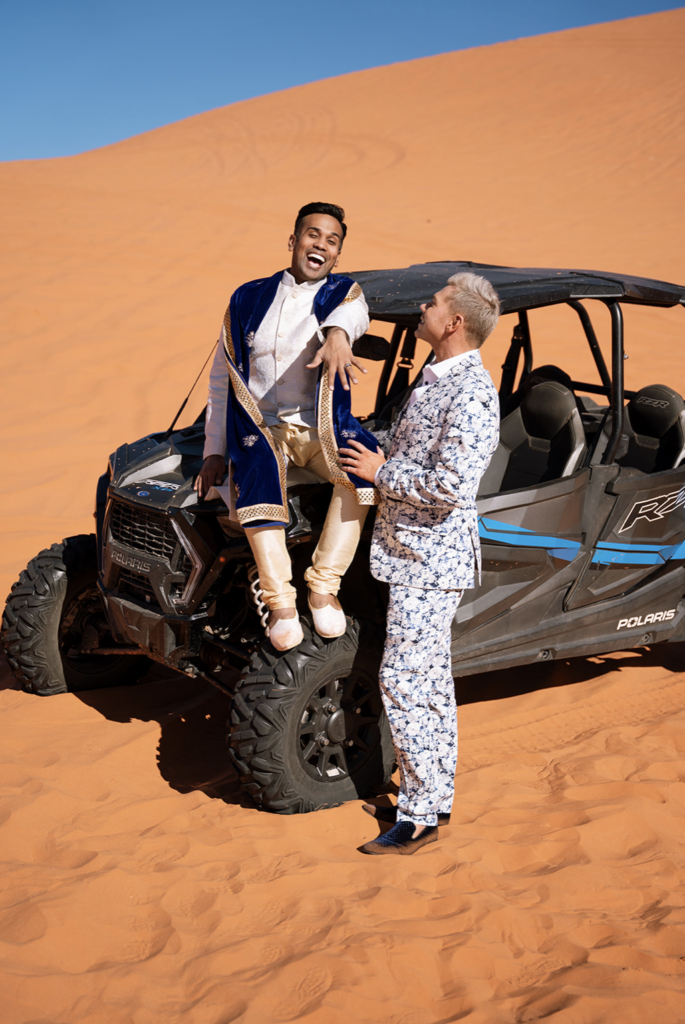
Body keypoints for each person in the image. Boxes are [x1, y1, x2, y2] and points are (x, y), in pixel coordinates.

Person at [339, 272, 501, 856]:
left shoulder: (473, 393)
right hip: (411, 553)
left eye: (431, 304)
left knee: (404, 680)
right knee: (429, 681)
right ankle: (438, 796)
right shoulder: (434, 377)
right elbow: (412, 448)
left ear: (454, 321)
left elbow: (452, 485)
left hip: (431, 560)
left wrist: (380, 473)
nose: (422, 308)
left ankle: (418, 817)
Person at [195, 202, 379, 651]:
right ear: (294, 241)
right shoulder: (247, 297)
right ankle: (280, 601)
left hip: (320, 428)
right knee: (254, 472)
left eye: (332, 241)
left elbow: (355, 315)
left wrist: (337, 334)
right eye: (313, 235)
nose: (322, 245)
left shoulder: (343, 295)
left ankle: (323, 585)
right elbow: (223, 381)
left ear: (337, 256)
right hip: (262, 427)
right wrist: (213, 451)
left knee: (363, 471)